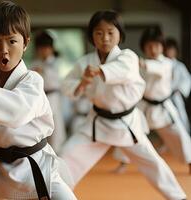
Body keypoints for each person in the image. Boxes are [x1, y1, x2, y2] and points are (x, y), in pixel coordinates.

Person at [0, 1, 76, 199]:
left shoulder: (32, 80)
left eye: (11, 41)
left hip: (33, 166)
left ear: (25, 43)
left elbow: (17, 112)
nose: (4, 50)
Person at [60, 11, 187, 199]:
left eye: (111, 32)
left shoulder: (128, 57)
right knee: (65, 156)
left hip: (127, 124)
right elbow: (66, 86)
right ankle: (51, 194)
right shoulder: (85, 63)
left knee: (153, 163)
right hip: (97, 124)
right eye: (99, 33)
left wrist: (100, 71)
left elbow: (124, 72)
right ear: (91, 36)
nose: (105, 38)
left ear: (120, 34)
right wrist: (83, 83)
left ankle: (179, 197)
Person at [137, 27, 191, 173]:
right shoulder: (140, 65)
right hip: (144, 107)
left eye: (157, 45)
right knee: (131, 132)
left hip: (163, 108)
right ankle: (123, 161)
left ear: (162, 47)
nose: (153, 49)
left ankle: (190, 161)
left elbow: (157, 68)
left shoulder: (167, 63)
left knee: (180, 135)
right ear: (144, 47)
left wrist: (143, 64)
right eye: (149, 46)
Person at [31, 30, 67, 153]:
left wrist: (44, 70)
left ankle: (58, 156)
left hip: (54, 96)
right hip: (40, 98)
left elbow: (58, 80)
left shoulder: (57, 61)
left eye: (46, 48)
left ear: (51, 48)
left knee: (56, 130)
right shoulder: (35, 63)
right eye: (41, 48)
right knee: (39, 128)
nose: (43, 51)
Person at [164, 38, 191, 133]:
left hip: (176, 97)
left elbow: (187, 80)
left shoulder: (180, 66)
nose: (169, 51)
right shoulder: (162, 64)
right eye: (167, 49)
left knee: (181, 119)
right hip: (163, 98)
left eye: (172, 49)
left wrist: (179, 90)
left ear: (176, 51)